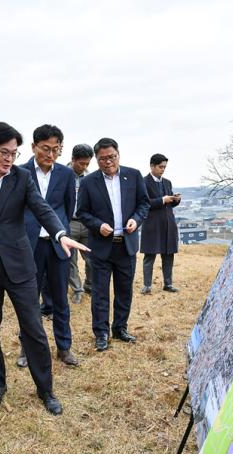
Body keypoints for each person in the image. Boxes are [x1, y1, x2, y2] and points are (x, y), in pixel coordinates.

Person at [0, 122, 88, 415]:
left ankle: (45, 389)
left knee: (34, 328)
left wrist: (61, 234)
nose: (10, 158)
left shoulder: (22, 178)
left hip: (20, 264)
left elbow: (42, 209)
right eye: (4, 152)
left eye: (14, 152)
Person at [76, 137, 149, 352]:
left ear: (118, 155)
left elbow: (143, 203)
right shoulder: (89, 182)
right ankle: (101, 333)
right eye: (102, 159)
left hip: (126, 244)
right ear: (95, 160)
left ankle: (120, 328)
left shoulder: (133, 176)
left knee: (124, 290)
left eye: (111, 157)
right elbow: (82, 213)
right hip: (101, 246)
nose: (108, 162)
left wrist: (136, 219)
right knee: (100, 292)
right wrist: (98, 225)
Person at [18, 124, 78, 368]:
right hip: (29, 246)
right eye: (45, 149)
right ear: (33, 147)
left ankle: (64, 347)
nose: (50, 155)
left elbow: (68, 207)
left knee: (60, 300)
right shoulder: (19, 173)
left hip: (58, 246)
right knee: (28, 300)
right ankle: (27, 348)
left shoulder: (65, 175)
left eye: (56, 149)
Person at [140, 153, 181, 294]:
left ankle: (168, 284)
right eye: (160, 167)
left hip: (168, 223)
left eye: (164, 167)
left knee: (168, 254)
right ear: (152, 166)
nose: (163, 169)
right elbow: (144, 203)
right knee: (149, 255)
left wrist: (175, 200)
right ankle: (147, 286)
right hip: (152, 224)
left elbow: (169, 205)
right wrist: (163, 200)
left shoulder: (167, 182)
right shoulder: (143, 182)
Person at [67, 144, 94, 304]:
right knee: (71, 260)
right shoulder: (62, 175)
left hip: (87, 223)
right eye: (81, 163)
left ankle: (89, 285)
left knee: (91, 258)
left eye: (87, 164)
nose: (84, 167)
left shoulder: (90, 178)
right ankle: (77, 289)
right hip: (69, 222)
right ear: (73, 160)